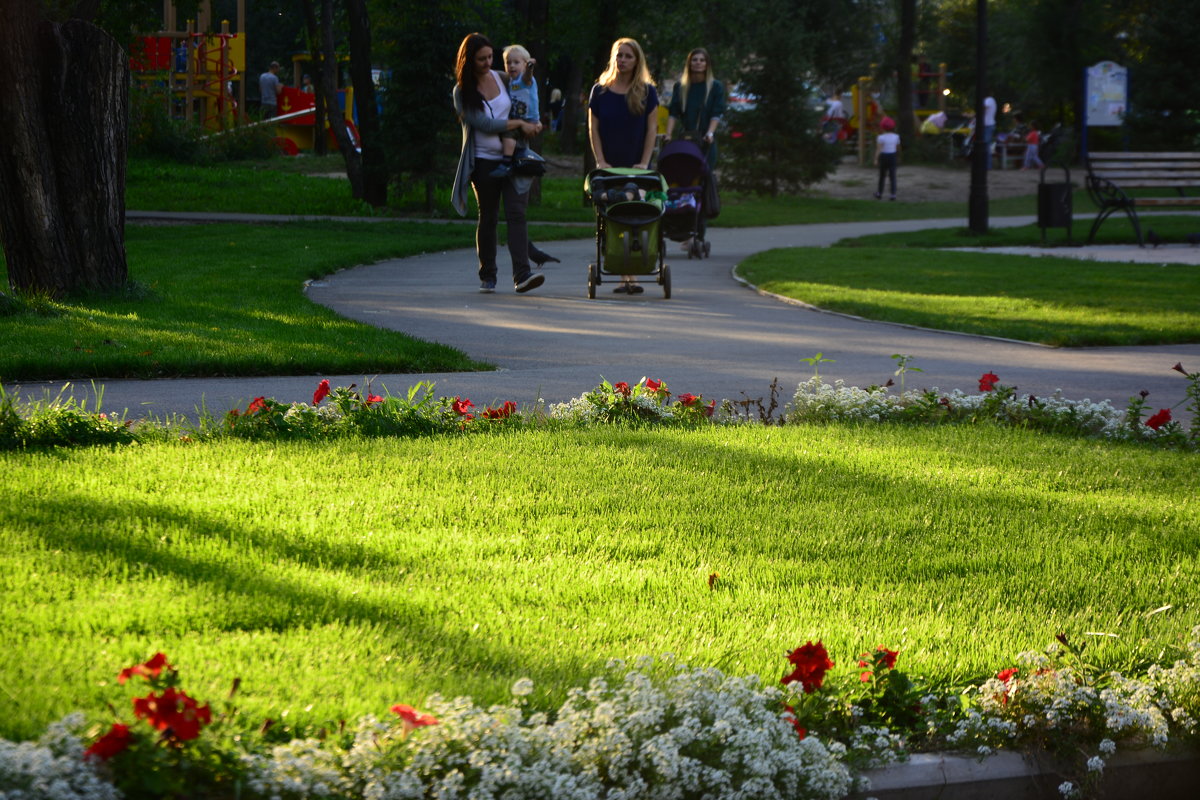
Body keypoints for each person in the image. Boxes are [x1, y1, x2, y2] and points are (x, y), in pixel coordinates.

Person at [451, 32, 549, 294]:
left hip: (515, 158)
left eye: (490, 57)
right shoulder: (462, 91)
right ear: (468, 60)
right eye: (481, 59)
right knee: (489, 217)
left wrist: (534, 122)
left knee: (517, 214)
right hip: (483, 162)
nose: (487, 62)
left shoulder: (502, 77)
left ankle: (523, 275)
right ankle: (488, 275)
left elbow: (525, 94)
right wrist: (518, 124)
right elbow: (484, 124)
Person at [588, 37, 659, 294]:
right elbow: (593, 128)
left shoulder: (647, 92)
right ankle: (621, 274)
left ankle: (635, 272)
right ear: (613, 58)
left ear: (637, 60)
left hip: (636, 164)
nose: (623, 60)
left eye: (628, 56)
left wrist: (644, 162)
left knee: (634, 214)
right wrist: (600, 160)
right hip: (609, 164)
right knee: (611, 215)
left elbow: (652, 129)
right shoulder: (600, 91)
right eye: (619, 55)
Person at [664, 47, 726, 251]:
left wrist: (710, 133)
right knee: (680, 184)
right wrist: (668, 134)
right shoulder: (681, 87)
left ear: (707, 64)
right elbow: (673, 111)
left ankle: (697, 233)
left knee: (701, 187)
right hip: (685, 142)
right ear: (689, 64)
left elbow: (717, 112)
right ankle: (678, 226)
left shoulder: (714, 87)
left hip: (705, 143)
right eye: (694, 60)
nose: (698, 63)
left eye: (702, 60)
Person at [488, 45, 540, 179]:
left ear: (524, 64)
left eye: (516, 62)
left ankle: (506, 164)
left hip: (528, 119)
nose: (511, 66)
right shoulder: (510, 81)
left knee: (508, 134)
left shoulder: (524, 80)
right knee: (510, 135)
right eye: (508, 62)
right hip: (519, 118)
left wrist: (529, 67)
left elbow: (528, 76)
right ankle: (514, 161)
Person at [874, 116, 900, 201]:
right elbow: (897, 147)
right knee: (892, 176)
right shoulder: (896, 136)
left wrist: (876, 159)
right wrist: (898, 156)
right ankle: (893, 194)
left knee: (882, 176)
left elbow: (879, 149)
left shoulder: (880, 137)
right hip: (892, 156)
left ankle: (879, 193)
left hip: (884, 156)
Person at [982, 92, 997, 169]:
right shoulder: (990, 100)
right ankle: (986, 165)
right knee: (985, 145)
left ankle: (988, 165)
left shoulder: (989, 100)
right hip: (987, 125)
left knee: (986, 145)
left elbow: (983, 107)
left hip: (988, 125)